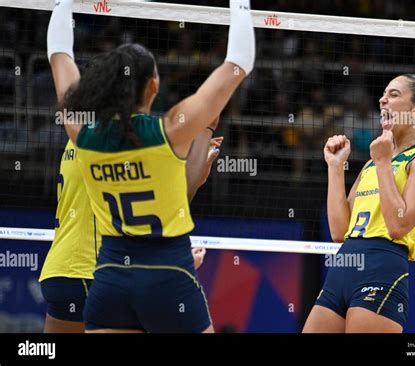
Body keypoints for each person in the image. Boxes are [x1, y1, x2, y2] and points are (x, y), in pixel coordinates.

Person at [46, 0, 254, 333]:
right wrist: (240, 5)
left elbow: (59, 56)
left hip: (110, 280)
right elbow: (239, 62)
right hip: (168, 275)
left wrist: (62, 3)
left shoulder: (82, 134)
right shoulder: (169, 132)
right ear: (154, 85)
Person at [303, 74, 415, 333]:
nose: (382, 100)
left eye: (393, 95)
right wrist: (336, 168)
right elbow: (339, 231)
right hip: (343, 266)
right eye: (383, 94)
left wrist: (384, 162)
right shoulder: (373, 162)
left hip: (382, 267)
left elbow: (398, 225)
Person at [39, 133, 223, 333]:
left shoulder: (79, 136)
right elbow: (155, 211)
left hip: (61, 272)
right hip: (92, 271)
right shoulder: (109, 139)